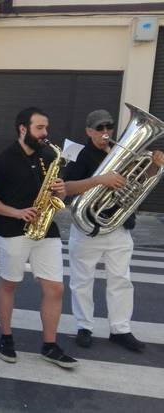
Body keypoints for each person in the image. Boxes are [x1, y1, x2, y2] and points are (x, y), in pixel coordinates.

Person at [0, 107, 79, 369]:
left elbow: (57, 196)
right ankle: (6, 337)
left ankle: (49, 345)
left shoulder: (48, 156)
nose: (45, 133)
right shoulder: (1, 161)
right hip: (12, 232)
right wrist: (17, 212)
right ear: (23, 128)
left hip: (46, 231)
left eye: (46, 128)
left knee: (55, 288)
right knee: (10, 284)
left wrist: (61, 192)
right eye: (39, 128)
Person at [64, 109, 164, 352]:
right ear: (89, 131)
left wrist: (153, 166)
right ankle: (84, 326)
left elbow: (138, 184)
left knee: (121, 280)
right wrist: (100, 180)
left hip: (118, 227)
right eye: (99, 128)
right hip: (87, 226)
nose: (105, 132)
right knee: (82, 280)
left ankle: (121, 330)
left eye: (109, 127)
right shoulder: (80, 155)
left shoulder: (128, 153)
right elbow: (66, 188)